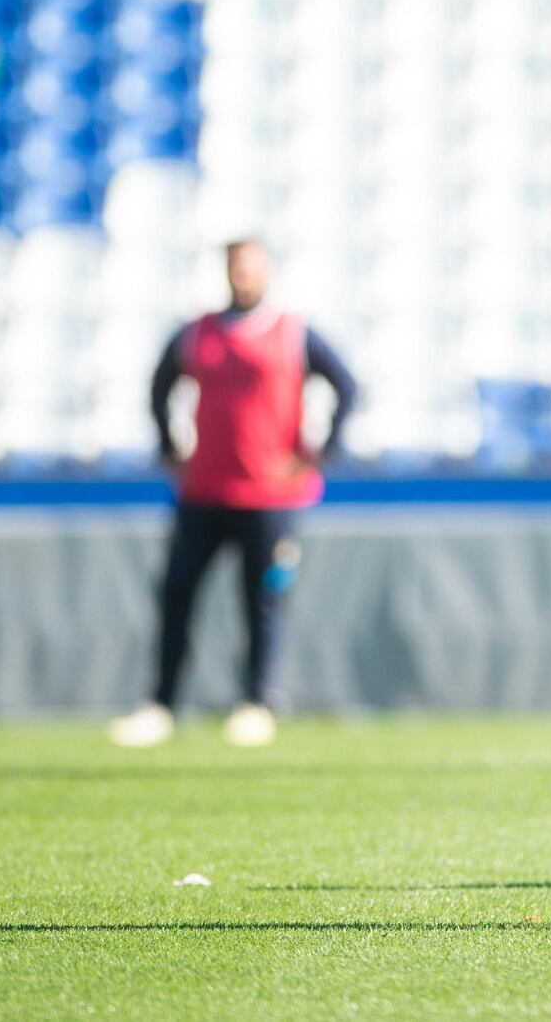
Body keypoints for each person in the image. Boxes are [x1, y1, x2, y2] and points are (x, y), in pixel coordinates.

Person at [108, 238, 357, 749]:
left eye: (252, 267)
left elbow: (347, 386)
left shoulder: (293, 333)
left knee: (261, 600)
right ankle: (160, 705)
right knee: (178, 593)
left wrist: (323, 447)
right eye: (235, 268)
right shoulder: (198, 333)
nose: (243, 277)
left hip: (270, 496)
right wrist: (168, 443)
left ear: (267, 272)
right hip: (204, 490)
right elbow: (160, 383)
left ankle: (256, 702)